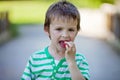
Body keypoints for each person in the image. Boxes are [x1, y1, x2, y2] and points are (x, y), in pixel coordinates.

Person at [21, 0, 90, 80]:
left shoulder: (80, 60)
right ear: (47, 30)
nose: (65, 35)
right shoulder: (35, 59)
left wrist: (71, 62)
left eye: (71, 30)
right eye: (59, 29)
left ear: (77, 32)